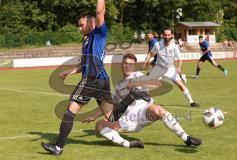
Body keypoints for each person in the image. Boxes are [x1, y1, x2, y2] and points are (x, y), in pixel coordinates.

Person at [41, 0, 148, 155]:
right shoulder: (86, 42)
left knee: (69, 112)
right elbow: (84, 63)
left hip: (92, 79)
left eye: (81, 25)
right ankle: (132, 98)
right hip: (101, 81)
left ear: (91, 22)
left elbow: (99, 12)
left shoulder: (99, 33)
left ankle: (58, 147)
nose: (79, 28)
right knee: (111, 118)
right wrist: (70, 72)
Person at [83, 54, 202, 148]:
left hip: (145, 112)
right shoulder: (119, 86)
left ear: (134, 66)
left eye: (130, 64)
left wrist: (137, 83)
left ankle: (186, 138)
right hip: (129, 119)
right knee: (99, 125)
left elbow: (157, 84)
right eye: (125, 63)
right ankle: (129, 144)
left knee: (158, 109)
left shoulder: (139, 75)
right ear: (121, 65)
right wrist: (93, 116)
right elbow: (110, 104)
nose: (127, 66)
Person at [130, 28, 199, 107]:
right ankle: (140, 96)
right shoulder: (157, 45)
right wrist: (146, 62)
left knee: (181, 85)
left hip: (170, 69)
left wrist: (179, 67)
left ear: (171, 36)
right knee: (148, 83)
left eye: (168, 35)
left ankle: (191, 102)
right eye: (165, 35)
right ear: (163, 35)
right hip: (159, 68)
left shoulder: (174, 47)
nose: (167, 36)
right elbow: (151, 53)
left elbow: (180, 59)